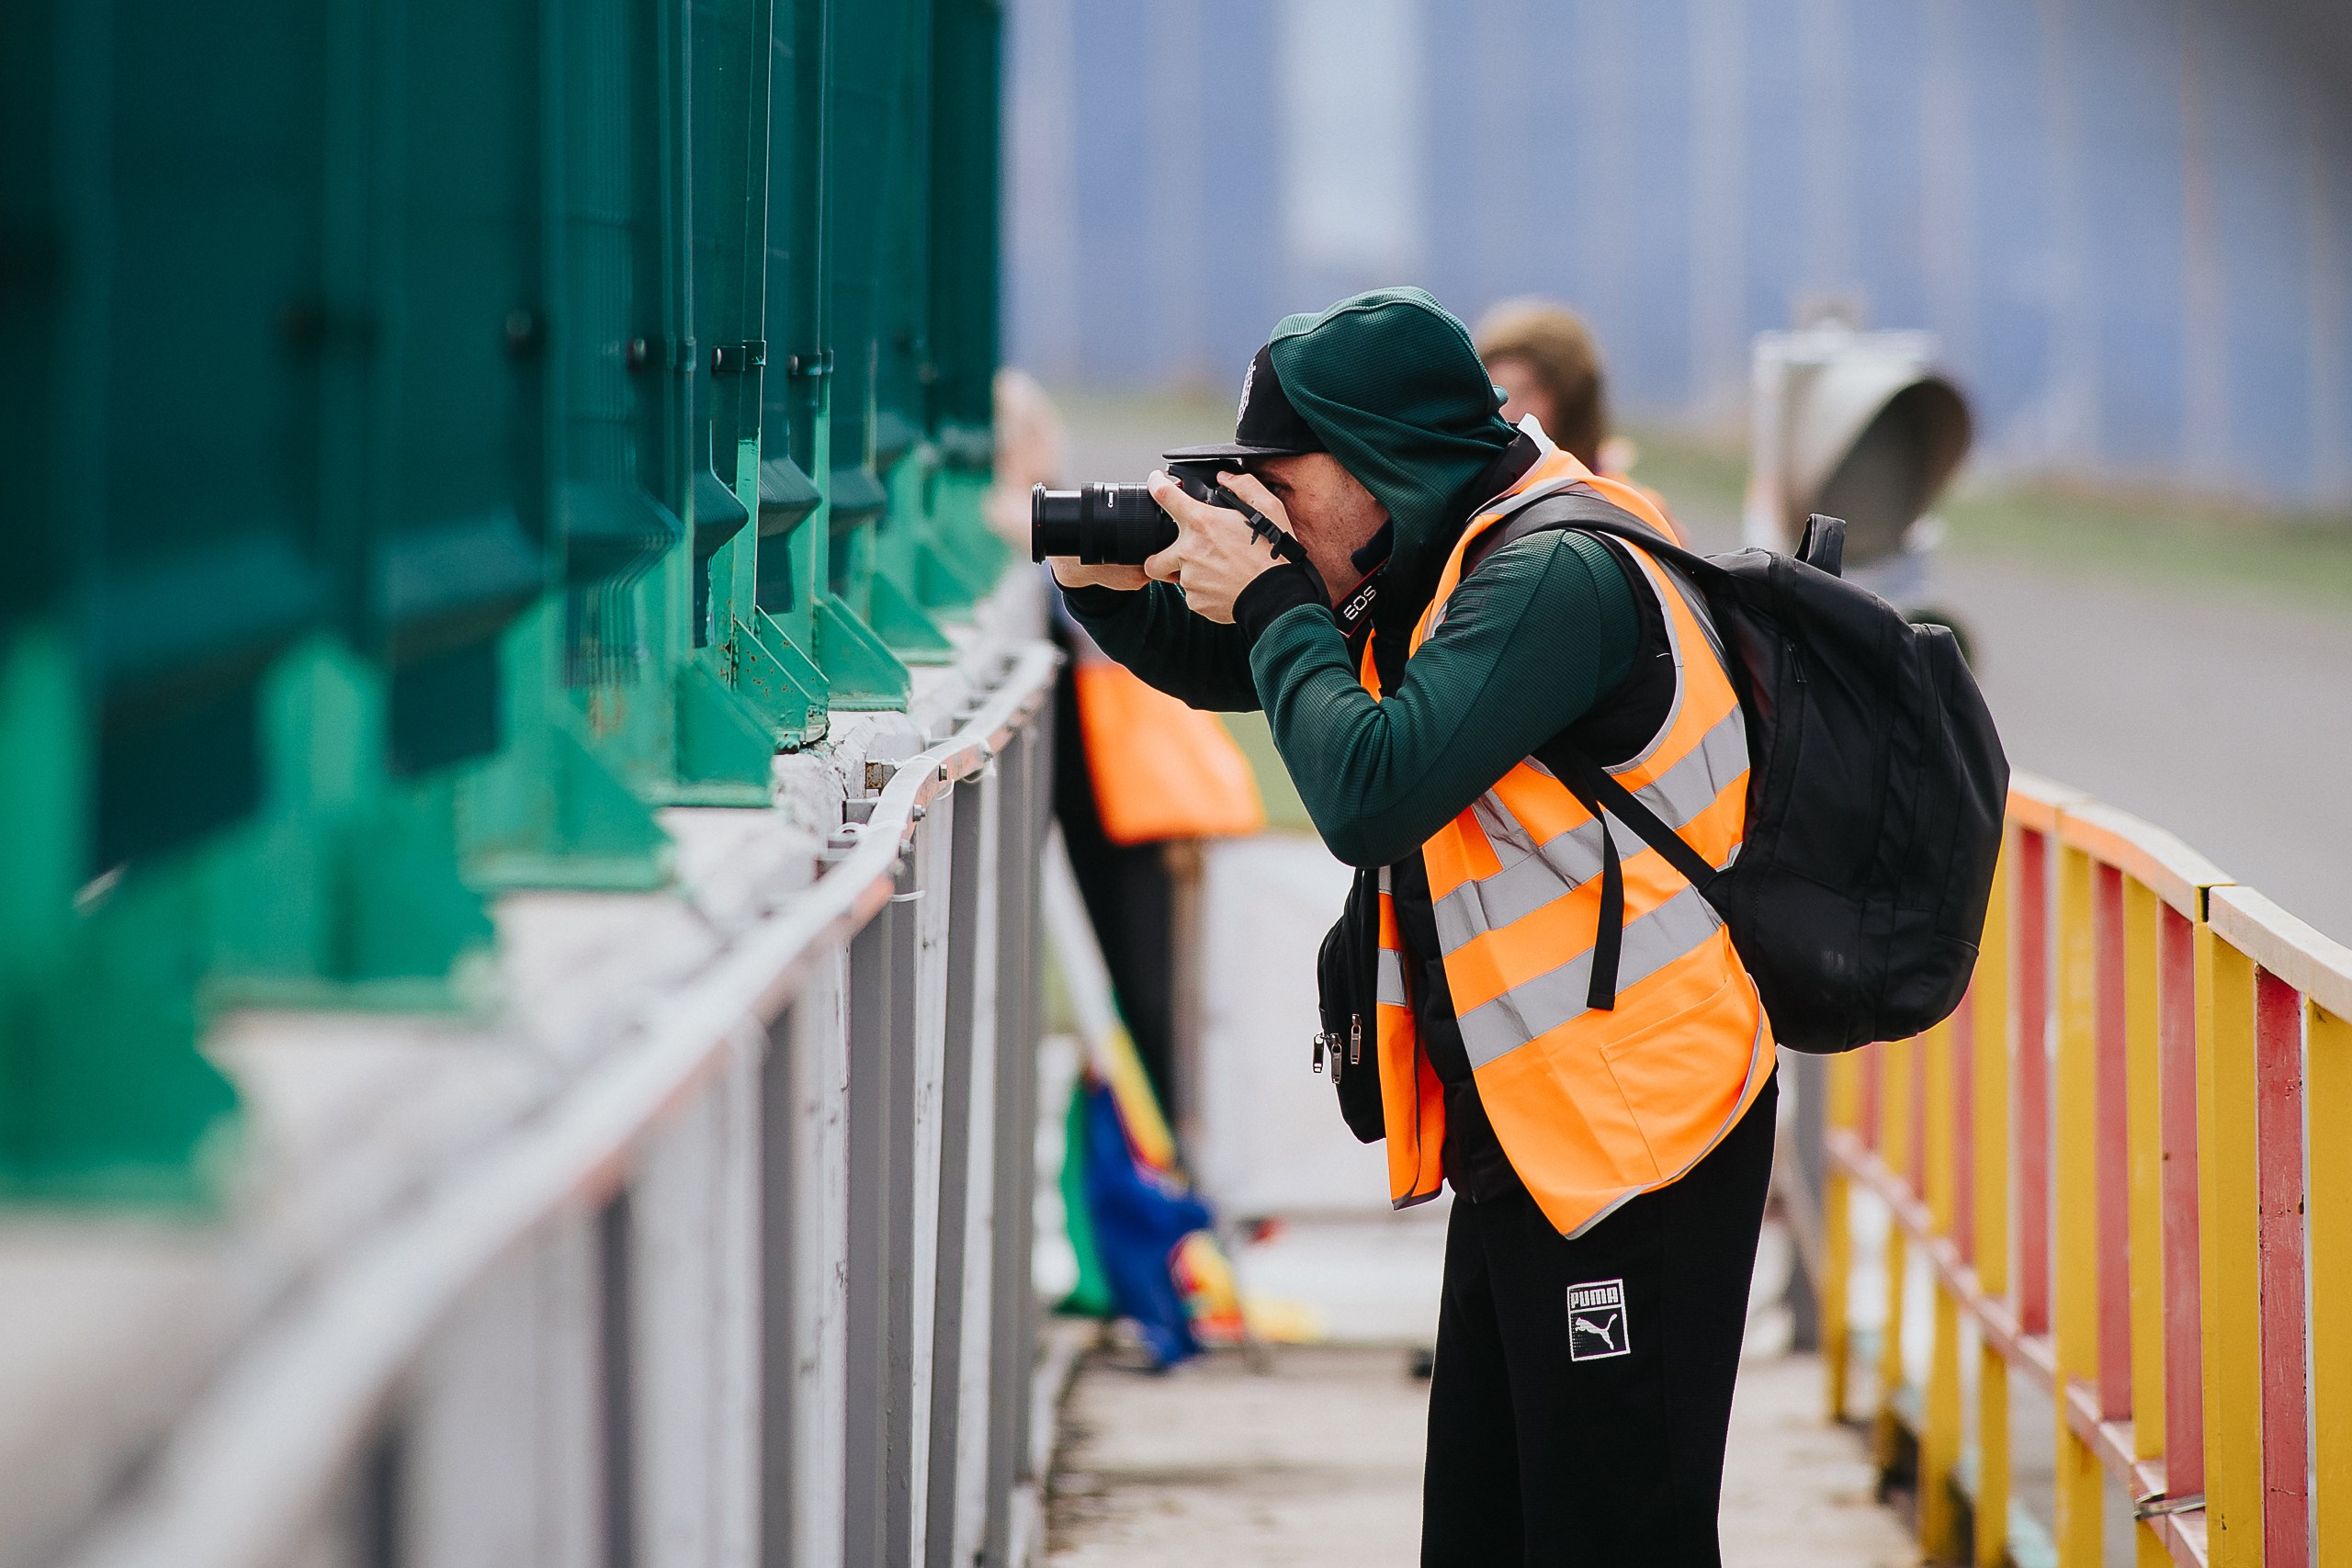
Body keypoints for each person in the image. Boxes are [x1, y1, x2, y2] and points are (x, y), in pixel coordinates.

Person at [1047, 288, 1777, 1566]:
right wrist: (1116, 597)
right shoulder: (1446, 559)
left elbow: (1371, 789)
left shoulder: (1557, 571)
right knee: (1488, 1533)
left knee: (1612, 1536)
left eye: (1283, 485)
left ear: (1381, 464)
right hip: (1540, 1123)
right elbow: (1260, 672)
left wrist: (1272, 597)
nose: (1267, 513)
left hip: (1639, 1132)